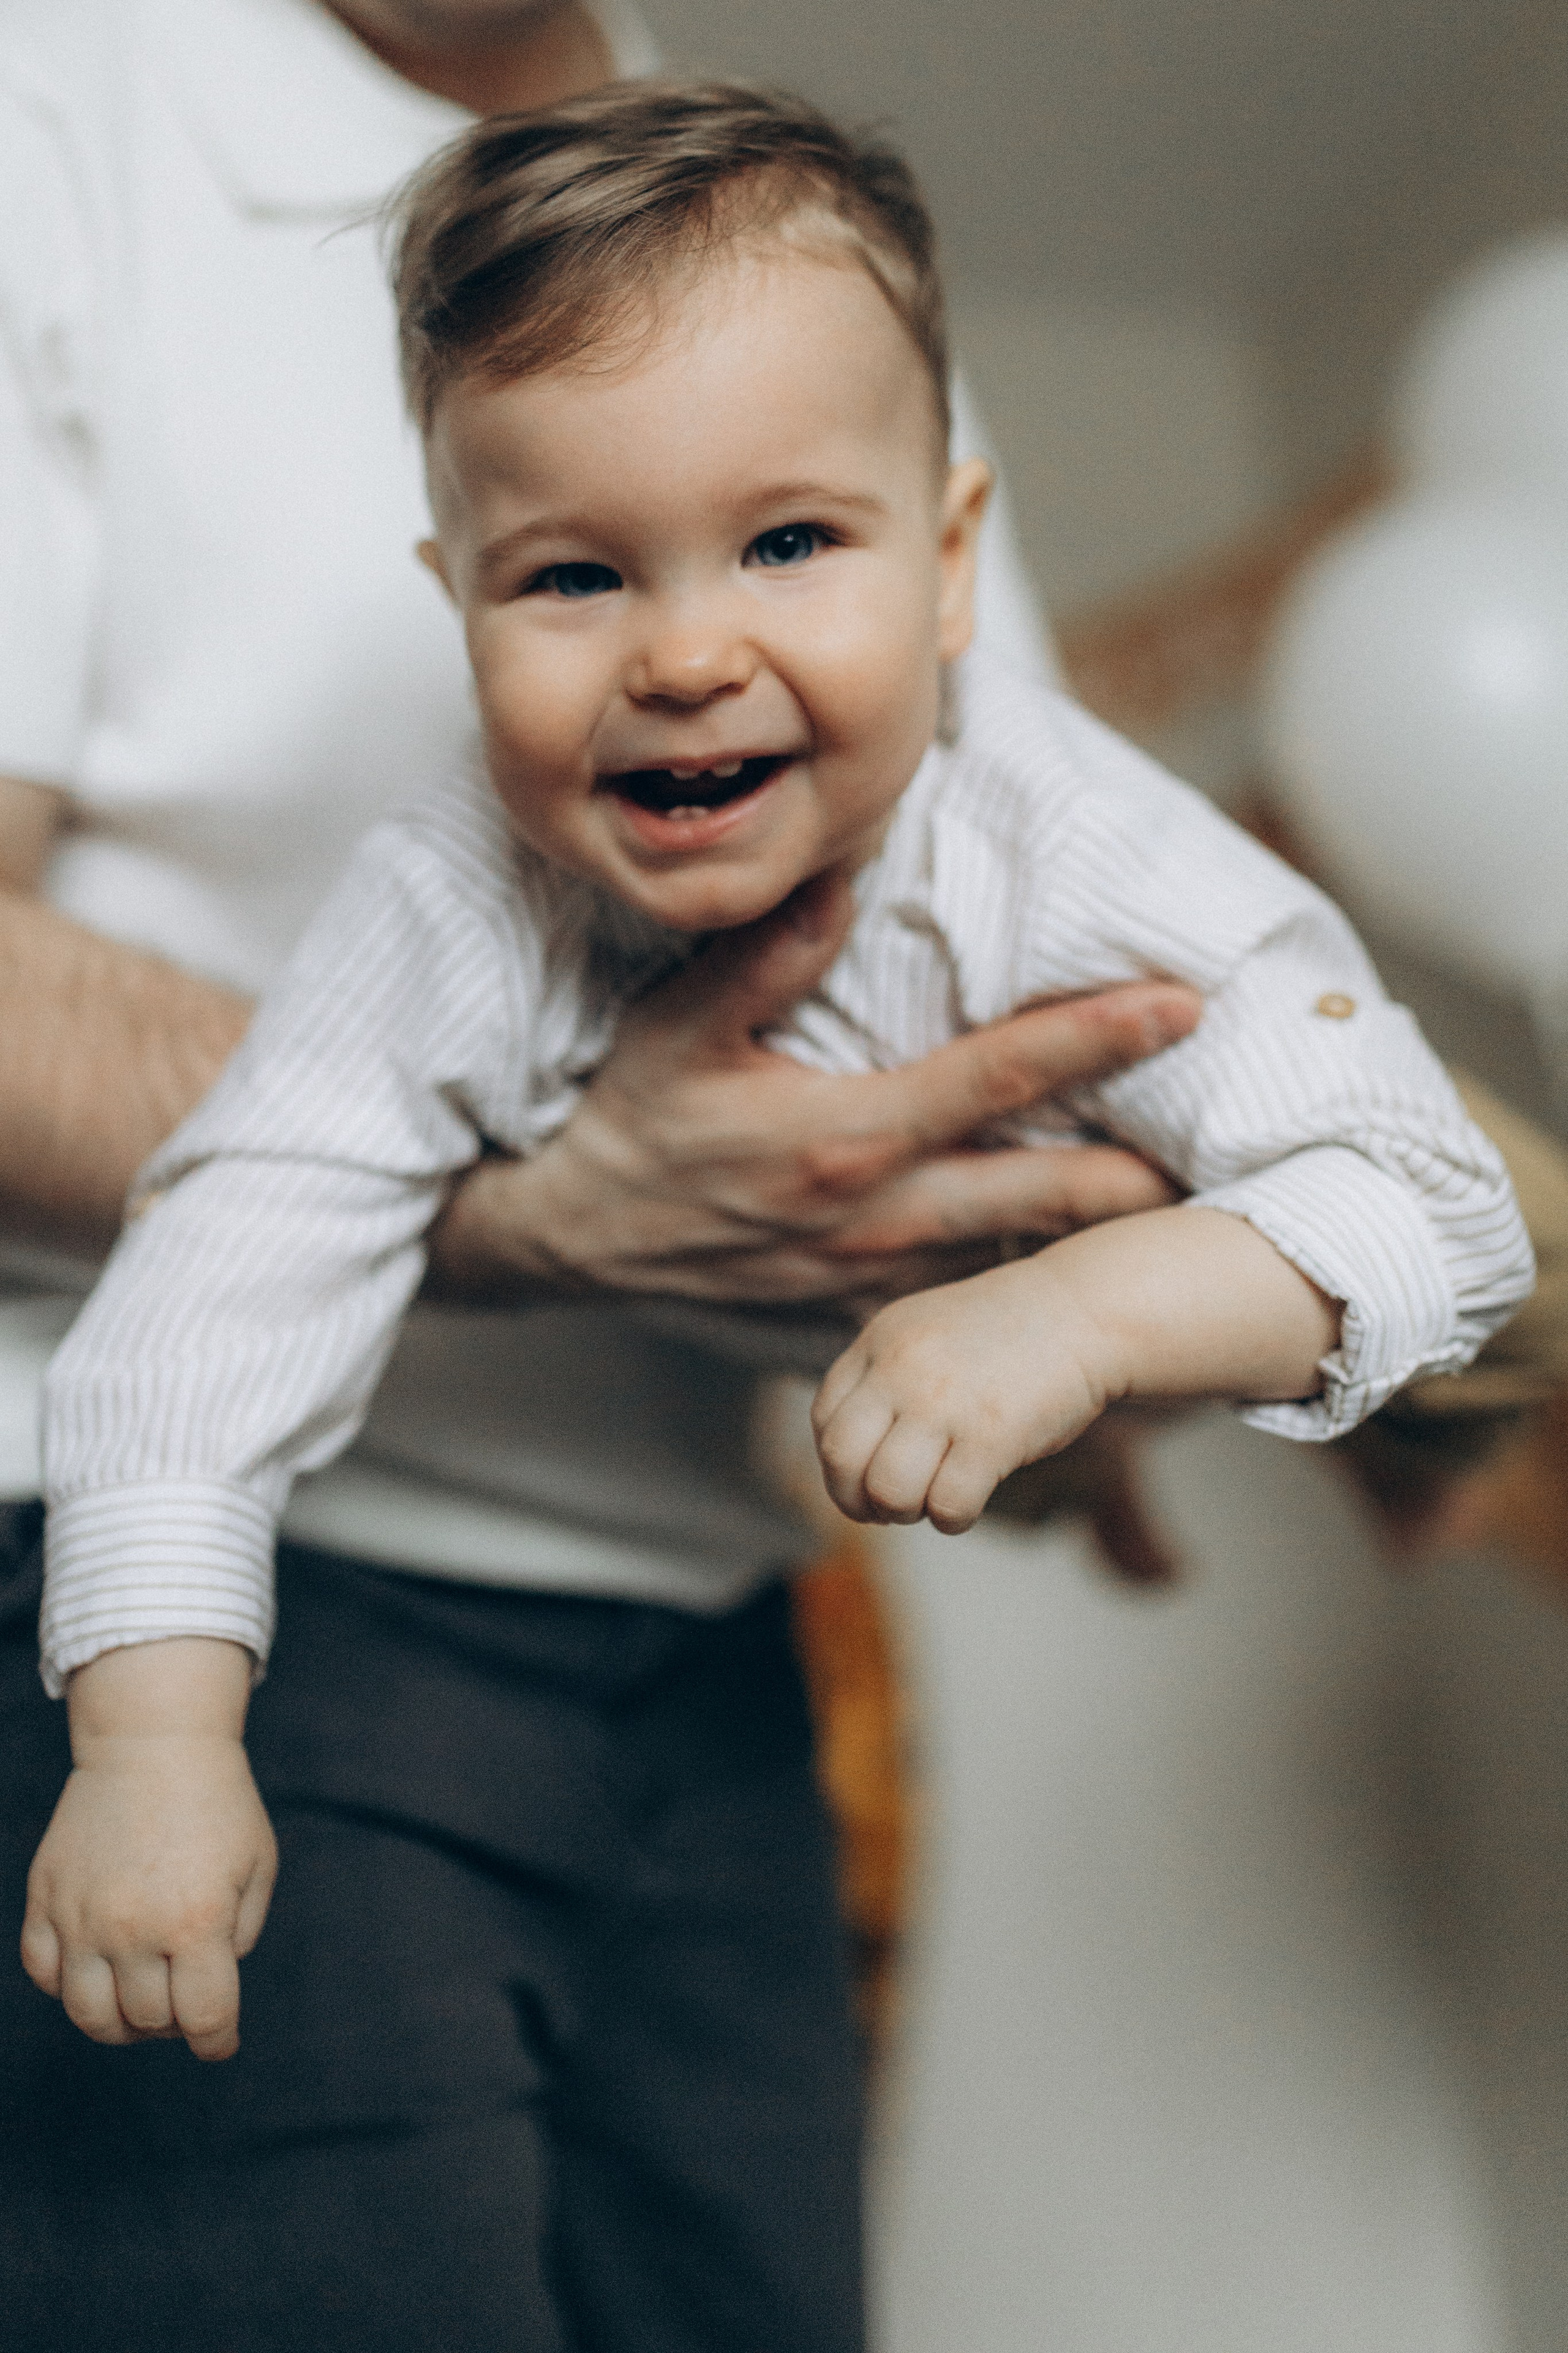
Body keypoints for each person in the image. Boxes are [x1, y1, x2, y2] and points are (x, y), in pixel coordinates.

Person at [25, 45, 1532, 2214]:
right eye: (572, 579)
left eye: (790, 543)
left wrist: (1088, 1325)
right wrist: (150, 1738)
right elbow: (218, 1270)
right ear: (452, 594)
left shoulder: (1081, 840)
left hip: (954, 1351)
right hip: (398, 1588)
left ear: (948, 562)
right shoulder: (459, 893)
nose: (688, 652)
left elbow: (1439, 1205)